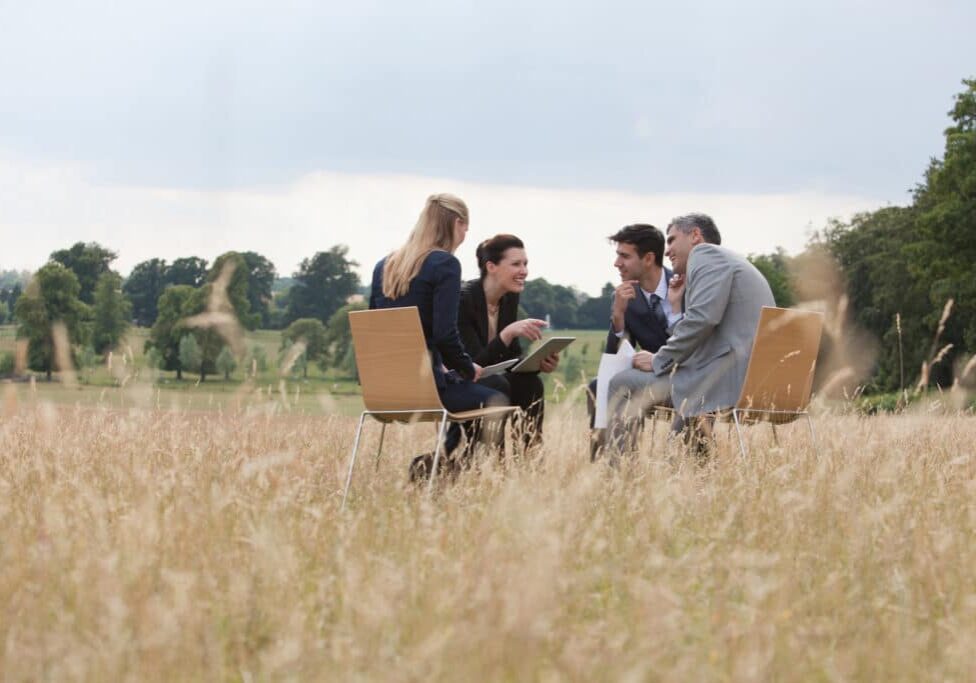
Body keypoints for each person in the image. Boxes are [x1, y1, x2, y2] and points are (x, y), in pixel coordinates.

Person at [604, 213, 775, 457]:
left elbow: (702, 320)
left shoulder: (706, 255)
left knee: (622, 383)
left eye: (672, 240)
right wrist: (675, 307)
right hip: (753, 380)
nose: (667, 251)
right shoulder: (731, 262)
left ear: (695, 236)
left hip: (728, 382)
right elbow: (707, 327)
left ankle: (619, 476)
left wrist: (658, 360)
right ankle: (692, 473)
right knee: (691, 392)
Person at [369, 193, 509, 477]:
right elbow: (445, 334)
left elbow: (376, 329)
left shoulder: (384, 265)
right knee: (498, 395)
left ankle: (442, 462)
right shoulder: (444, 264)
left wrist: (450, 367)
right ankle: (454, 469)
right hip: (426, 391)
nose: (464, 236)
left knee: (479, 386)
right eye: (465, 229)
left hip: (382, 392)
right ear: (457, 223)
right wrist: (467, 367)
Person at [457, 234, 559, 450]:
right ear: (491, 266)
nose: (524, 271)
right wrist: (507, 334)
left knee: (530, 383)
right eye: (516, 264)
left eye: (525, 264)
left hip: (491, 379)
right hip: (462, 380)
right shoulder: (463, 299)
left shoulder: (509, 297)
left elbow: (509, 356)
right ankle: (495, 460)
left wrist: (536, 364)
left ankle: (530, 458)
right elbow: (472, 364)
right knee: (499, 385)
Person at [587, 224, 679, 459]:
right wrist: (618, 318)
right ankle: (611, 463)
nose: (617, 263)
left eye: (624, 256)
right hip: (648, 379)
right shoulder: (625, 296)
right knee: (598, 385)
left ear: (648, 258)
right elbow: (613, 359)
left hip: (686, 375)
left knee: (623, 383)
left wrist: (660, 360)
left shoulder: (685, 287)